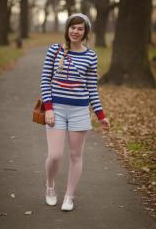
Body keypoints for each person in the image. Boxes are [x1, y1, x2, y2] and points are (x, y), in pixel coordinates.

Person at [40, 13, 110, 212]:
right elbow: (45, 81)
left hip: (79, 110)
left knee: (75, 156)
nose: (75, 31)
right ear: (67, 29)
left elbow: (91, 88)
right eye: (73, 27)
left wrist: (101, 115)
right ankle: (50, 186)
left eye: (80, 28)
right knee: (54, 155)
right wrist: (49, 108)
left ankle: (69, 196)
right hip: (56, 111)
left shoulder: (90, 56)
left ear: (85, 32)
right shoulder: (54, 51)